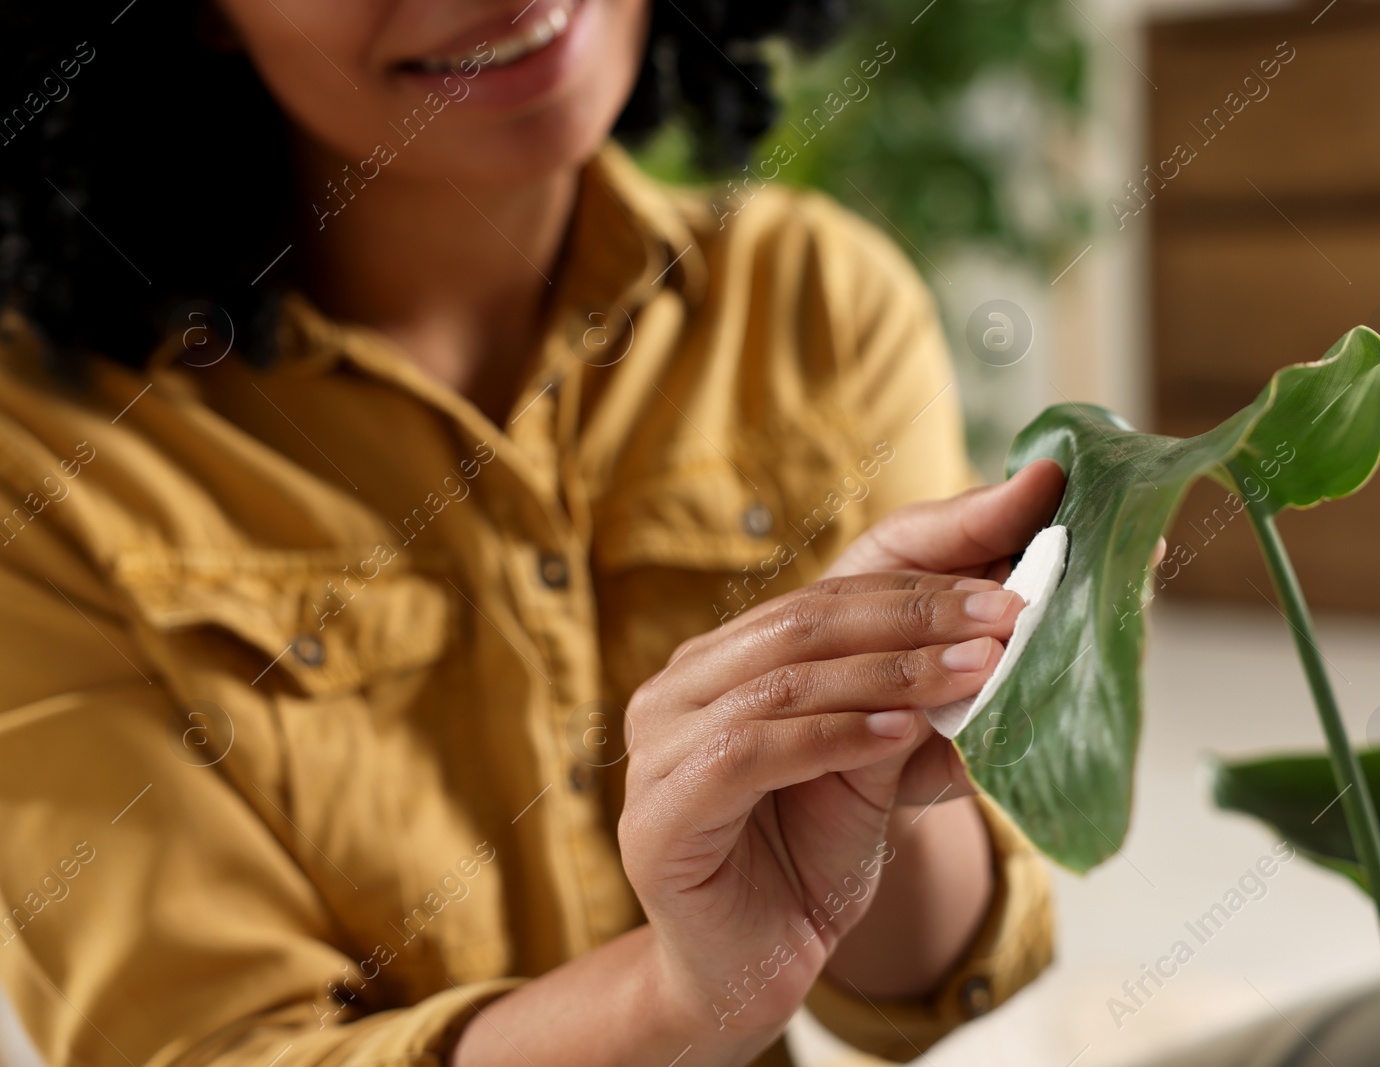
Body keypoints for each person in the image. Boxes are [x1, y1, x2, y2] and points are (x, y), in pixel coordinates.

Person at [0, 2, 1062, 1065]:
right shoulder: (40, 458)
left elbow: (914, 988)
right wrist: (679, 990)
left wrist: (886, 742)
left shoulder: (816, 301)